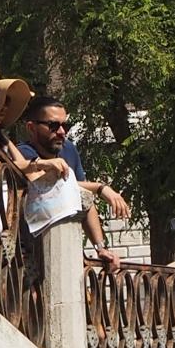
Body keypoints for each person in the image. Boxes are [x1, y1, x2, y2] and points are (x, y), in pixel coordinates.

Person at [17, 95, 128, 272]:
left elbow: (82, 197)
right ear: (31, 128)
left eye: (65, 125)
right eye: (53, 126)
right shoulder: (24, 155)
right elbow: (58, 186)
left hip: (66, 250)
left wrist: (100, 248)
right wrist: (101, 188)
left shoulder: (69, 149)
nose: (62, 132)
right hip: (30, 253)